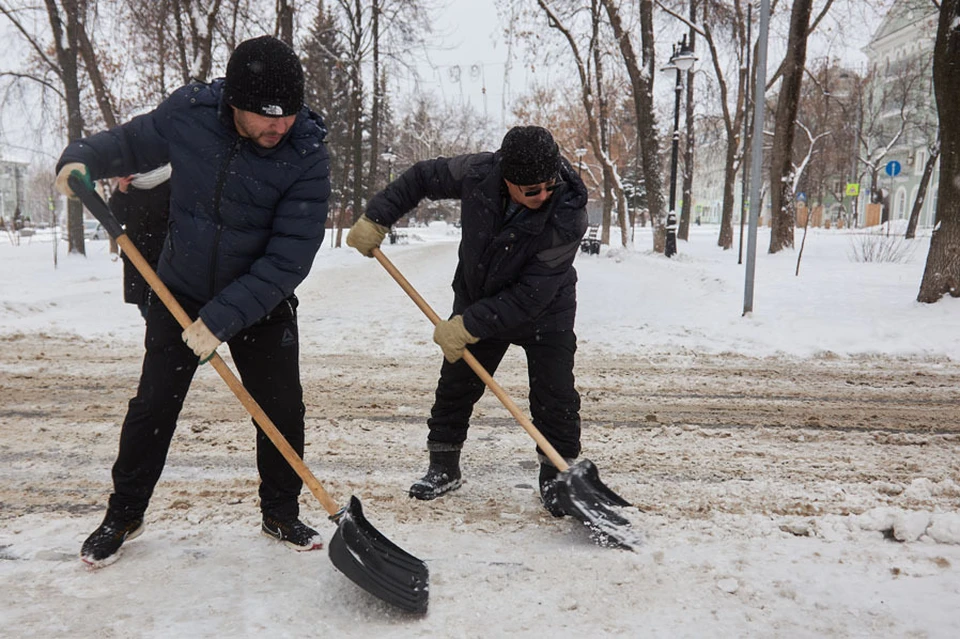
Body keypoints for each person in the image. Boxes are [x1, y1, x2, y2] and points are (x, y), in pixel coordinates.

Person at [54, 35, 331, 567]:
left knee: (280, 408)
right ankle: (124, 513)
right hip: (178, 289)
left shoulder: (305, 154)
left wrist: (221, 319)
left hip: (259, 300)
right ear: (235, 104)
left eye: (289, 116)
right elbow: (130, 143)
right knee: (152, 407)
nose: (281, 127)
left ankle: (280, 511)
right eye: (268, 117)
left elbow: (289, 258)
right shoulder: (191, 114)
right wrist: (81, 157)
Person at [346, 125, 588, 516]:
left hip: (546, 311)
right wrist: (378, 216)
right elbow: (423, 176)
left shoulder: (568, 214)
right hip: (481, 297)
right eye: (531, 190)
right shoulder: (477, 173)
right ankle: (443, 465)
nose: (543, 196)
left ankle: (557, 475)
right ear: (507, 179)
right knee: (456, 387)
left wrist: (467, 325)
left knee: (555, 396)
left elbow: (531, 294)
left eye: (549, 185)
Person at [109, 164, 172, 319]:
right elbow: (116, 218)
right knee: (146, 309)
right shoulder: (130, 184)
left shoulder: (173, 181)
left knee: (170, 309)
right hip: (138, 257)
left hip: (167, 256)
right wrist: (121, 190)